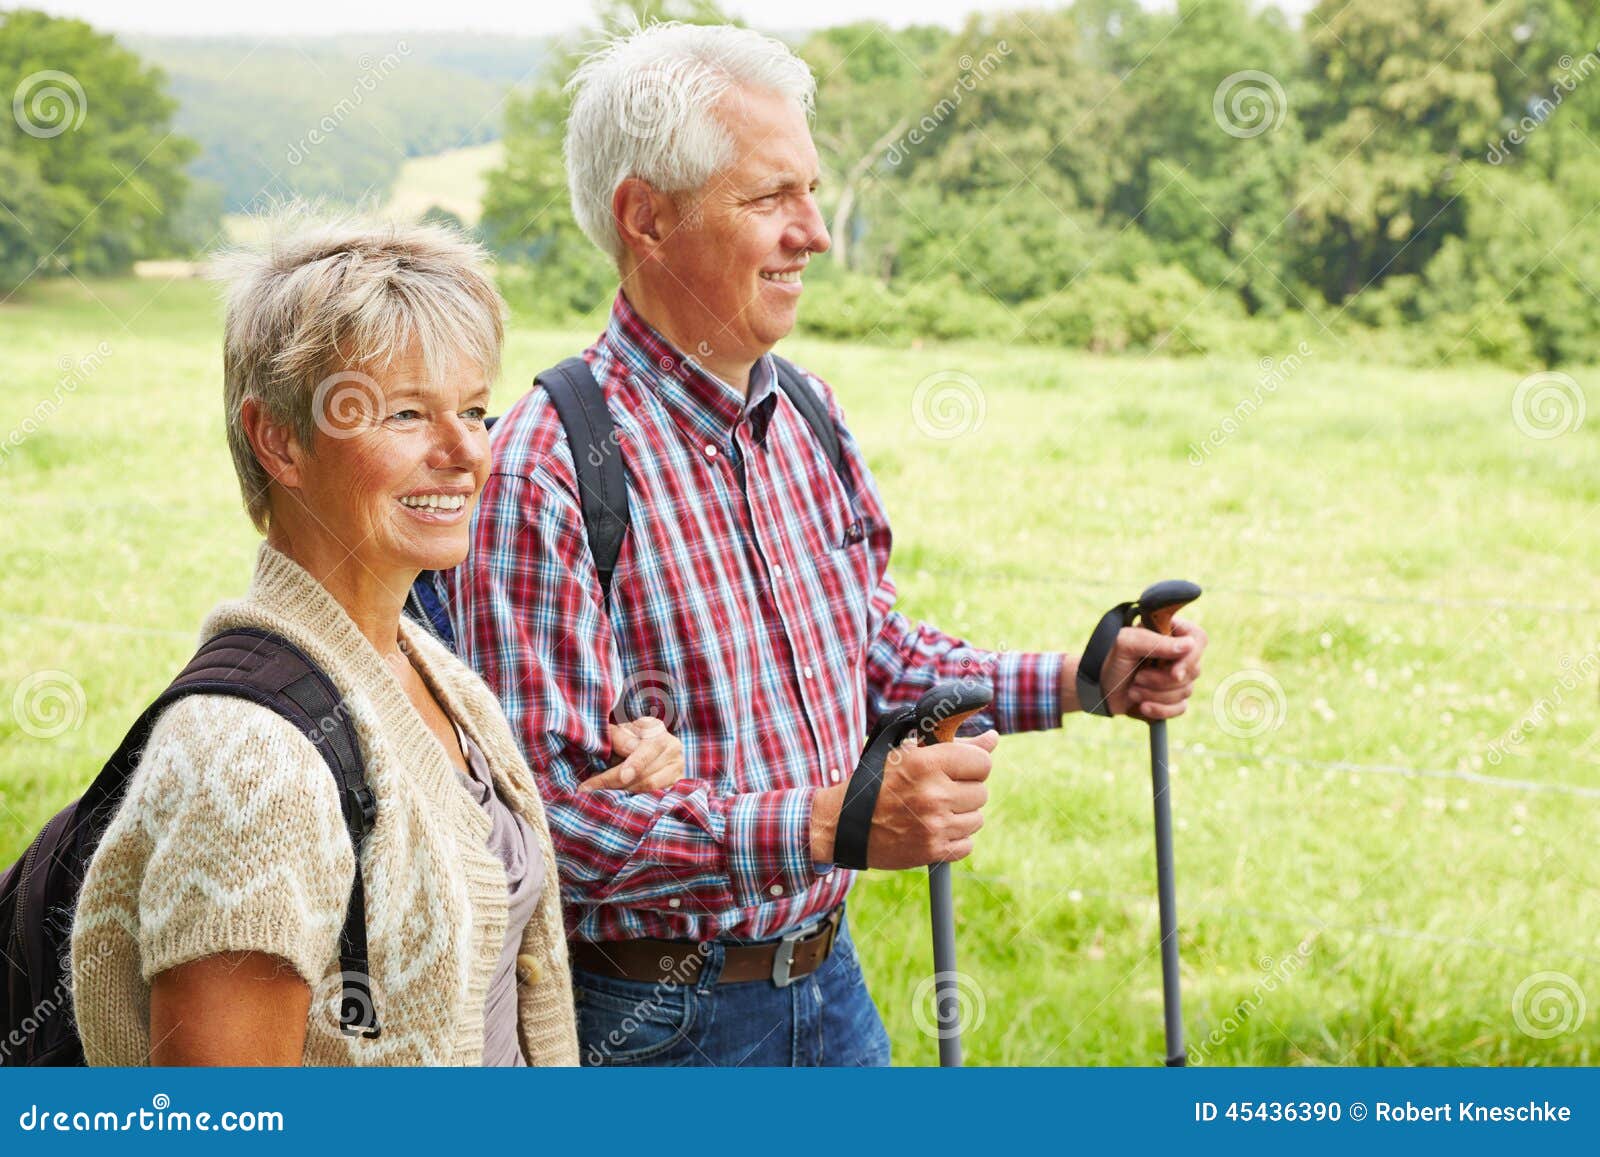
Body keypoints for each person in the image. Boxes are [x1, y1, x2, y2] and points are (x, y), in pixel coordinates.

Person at [450, 23, 1207, 1067]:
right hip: (656, 1029)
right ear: (647, 218)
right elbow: (545, 839)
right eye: (771, 199)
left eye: (810, 193)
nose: (812, 232)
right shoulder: (546, 467)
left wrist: (1086, 676)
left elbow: (873, 656)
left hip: (829, 985)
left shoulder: (805, 411)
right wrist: (825, 823)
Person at [69, 217, 683, 1066]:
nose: (467, 449)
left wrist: (631, 774)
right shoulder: (249, 764)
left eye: (473, 409)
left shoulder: (436, 677)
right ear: (278, 439)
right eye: (406, 413)